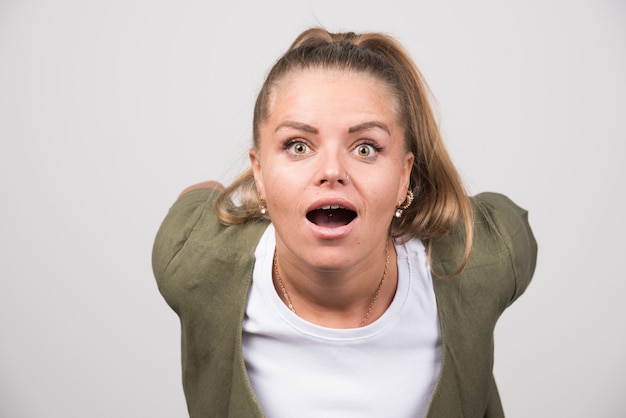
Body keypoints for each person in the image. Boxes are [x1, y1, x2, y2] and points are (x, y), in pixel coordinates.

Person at [152, 27, 538, 418]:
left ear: (404, 175)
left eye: (366, 148)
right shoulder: (195, 261)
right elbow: (197, 203)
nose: (332, 170)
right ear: (260, 174)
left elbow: (509, 226)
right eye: (298, 146)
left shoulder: (484, 258)